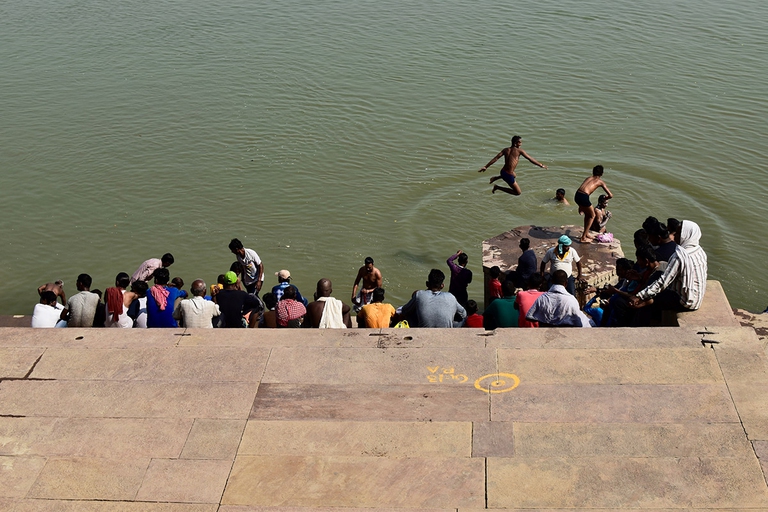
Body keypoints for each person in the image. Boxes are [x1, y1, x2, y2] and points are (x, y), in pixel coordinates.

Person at [630, 220, 708, 315]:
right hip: (697, 299)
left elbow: (663, 282)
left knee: (652, 296)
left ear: (687, 235)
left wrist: (640, 296)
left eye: (679, 233)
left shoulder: (679, 256)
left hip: (686, 302)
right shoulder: (699, 251)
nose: (675, 236)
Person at [478, 135, 547, 196]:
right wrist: (541, 165)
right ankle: (497, 187)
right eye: (520, 142)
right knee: (518, 193)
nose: (521, 144)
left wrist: (486, 166)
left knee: (514, 175)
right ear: (515, 143)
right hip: (508, 175)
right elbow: (530, 158)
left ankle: (497, 178)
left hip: (503, 171)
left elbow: (496, 158)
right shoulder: (519, 151)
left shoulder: (506, 150)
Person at [399, 269, 467, 328]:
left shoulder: (419, 294)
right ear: (442, 286)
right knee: (462, 319)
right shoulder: (451, 297)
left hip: (424, 333)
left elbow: (405, 311)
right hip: (446, 334)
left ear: (427, 284)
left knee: (410, 313)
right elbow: (464, 314)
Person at [526, 270, 592, 327]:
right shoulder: (571, 300)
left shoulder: (542, 298)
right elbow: (578, 324)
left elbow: (529, 316)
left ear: (551, 281)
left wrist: (544, 321)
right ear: (566, 283)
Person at [574, 165, 614, 243]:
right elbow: (611, 195)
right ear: (602, 173)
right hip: (584, 197)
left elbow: (583, 189)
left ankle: (586, 233)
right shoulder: (600, 182)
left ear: (593, 172)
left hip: (577, 195)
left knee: (587, 215)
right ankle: (583, 238)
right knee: (592, 216)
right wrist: (605, 198)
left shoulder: (588, 178)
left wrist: (580, 206)